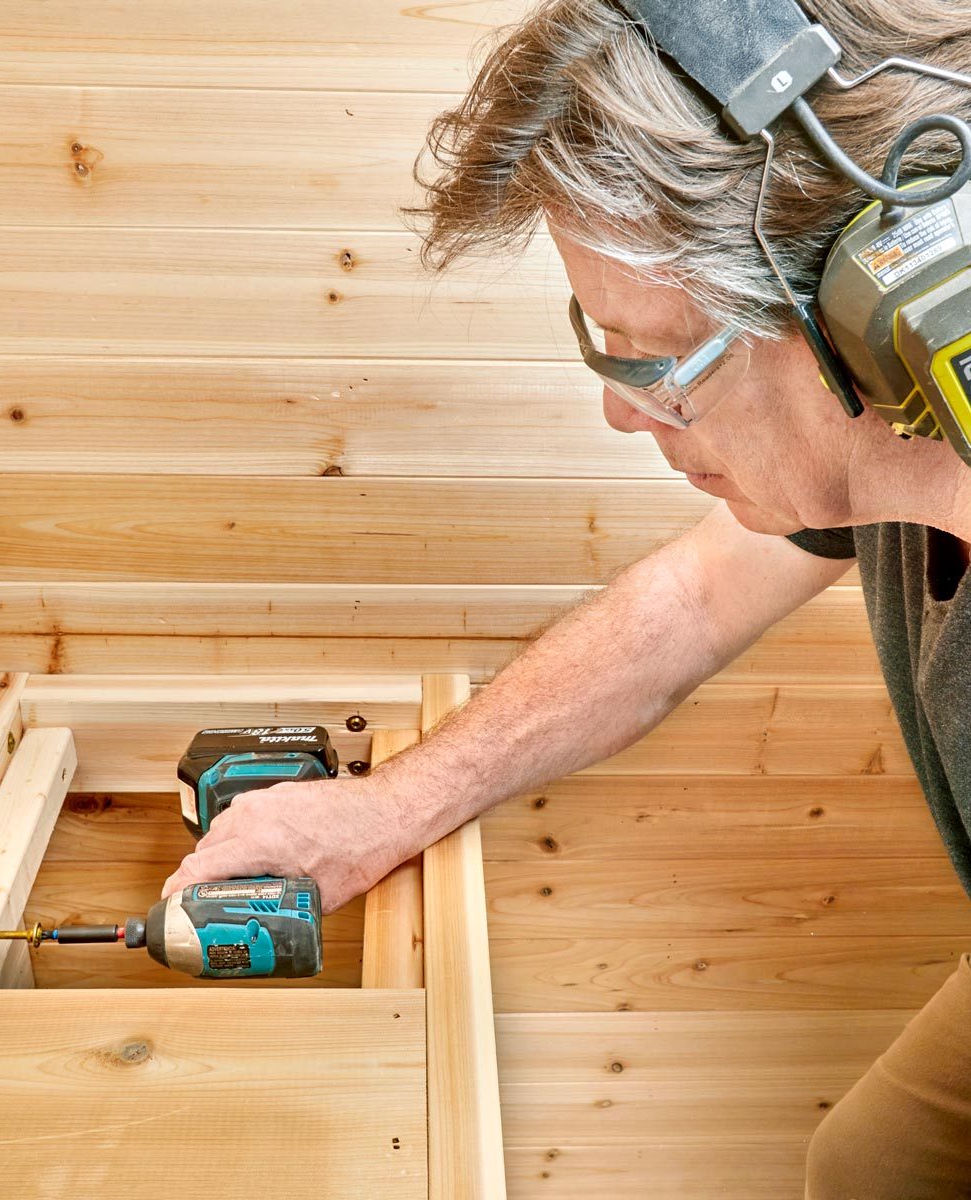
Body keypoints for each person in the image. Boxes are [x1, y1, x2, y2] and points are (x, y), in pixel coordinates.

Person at [161, 2, 971, 1195]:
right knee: (873, 1166)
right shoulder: (892, 449)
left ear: (880, 310)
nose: (622, 412)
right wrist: (388, 810)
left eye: (657, 361)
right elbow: (691, 605)